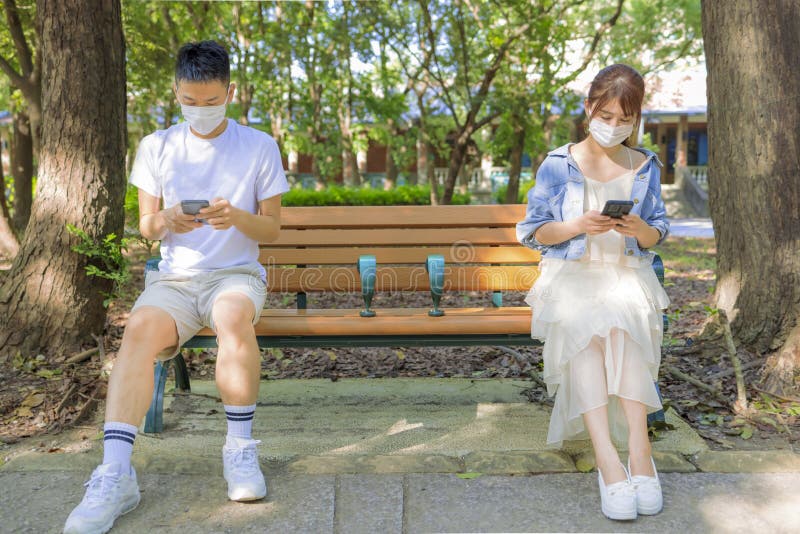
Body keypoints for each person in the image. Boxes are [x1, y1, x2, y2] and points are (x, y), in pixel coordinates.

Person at [64, 40, 289, 534]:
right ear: (176, 92)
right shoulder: (157, 146)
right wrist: (163, 218)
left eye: (211, 101)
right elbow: (146, 225)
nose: (201, 110)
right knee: (140, 326)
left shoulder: (259, 147)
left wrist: (236, 218)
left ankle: (240, 451)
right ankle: (116, 473)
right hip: (176, 280)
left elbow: (271, 229)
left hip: (236, 276)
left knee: (231, 316)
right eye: (191, 101)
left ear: (230, 91)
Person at [516, 64, 669, 521]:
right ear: (589, 108)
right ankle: (608, 462)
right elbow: (533, 231)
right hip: (574, 275)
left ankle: (640, 455)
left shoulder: (644, 165)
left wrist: (642, 229)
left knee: (624, 329)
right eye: (607, 115)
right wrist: (578, 225)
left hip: (626, 273)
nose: (615, 127)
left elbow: (659, 230)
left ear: (636, 119)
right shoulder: (558, 163)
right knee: (585, 332)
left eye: (626, 119)